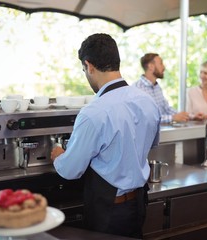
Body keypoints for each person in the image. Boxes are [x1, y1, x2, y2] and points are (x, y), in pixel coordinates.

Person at [50, 33, 161, 239]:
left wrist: (59, 156)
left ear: (89, 65)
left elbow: (71, 170)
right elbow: (150, 144)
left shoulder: (94, 112)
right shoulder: (148, 102)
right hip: (139, 205)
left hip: (110, 211)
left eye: (84, 70)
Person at [133, 53, 190, 124]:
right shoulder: (137, 89)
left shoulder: (157, 86)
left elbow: (166, 108)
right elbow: (148, 117)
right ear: (151, 66)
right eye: (161, 63)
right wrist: (172, 118)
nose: (164, 67)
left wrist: (187, 116)